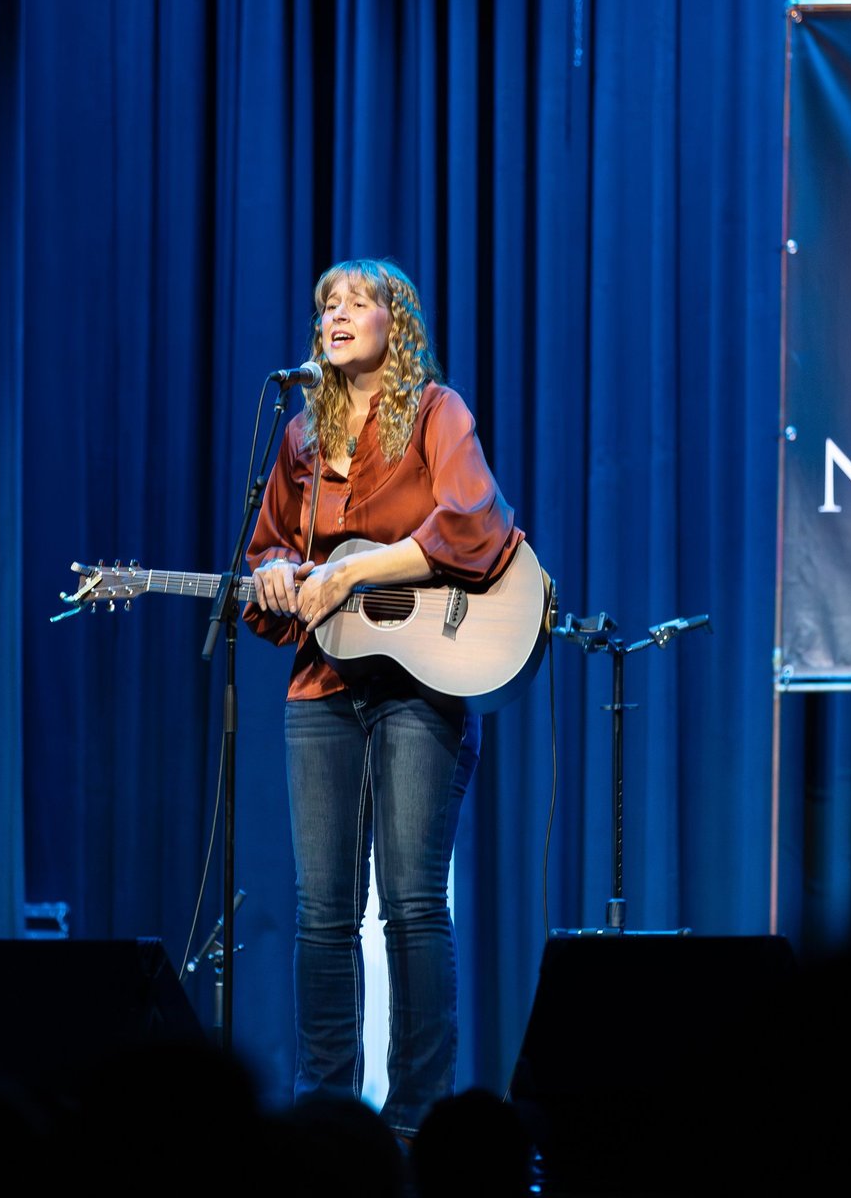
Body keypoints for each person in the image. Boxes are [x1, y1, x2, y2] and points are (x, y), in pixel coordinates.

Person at [245, 258, 521, 1140]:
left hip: (422, 684)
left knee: (411, 904)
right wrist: (279, 575)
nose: (338, 314)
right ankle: (325, 1117)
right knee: (322, 911)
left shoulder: (436, 412)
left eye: (358, 303)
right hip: (322, 683)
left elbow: (474, 520)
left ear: (393, 324)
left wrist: (359, 564)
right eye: (328, 303)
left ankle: (416, 1124)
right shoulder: (297, 436)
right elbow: (267, 551)